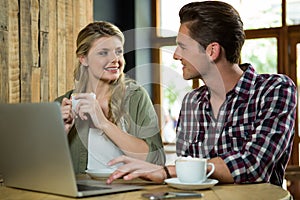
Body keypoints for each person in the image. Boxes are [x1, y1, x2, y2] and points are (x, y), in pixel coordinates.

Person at [106, 1, 297, 186]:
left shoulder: (274, 90)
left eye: (183, 46)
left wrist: (167, 171)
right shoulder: (192, 102)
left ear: (212, 51)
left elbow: (253, 164)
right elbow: (188, 177)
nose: (176, 55)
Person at [55, 21, 165, 174]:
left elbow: (156, 160)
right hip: (79, 194)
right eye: (103, 52)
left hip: (127, 191)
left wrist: (104, 123)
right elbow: (42, 169)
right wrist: (61, 132)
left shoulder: (136, 97)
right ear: (83, 59)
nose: (115, 59)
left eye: (118, 52)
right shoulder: (62, 104)